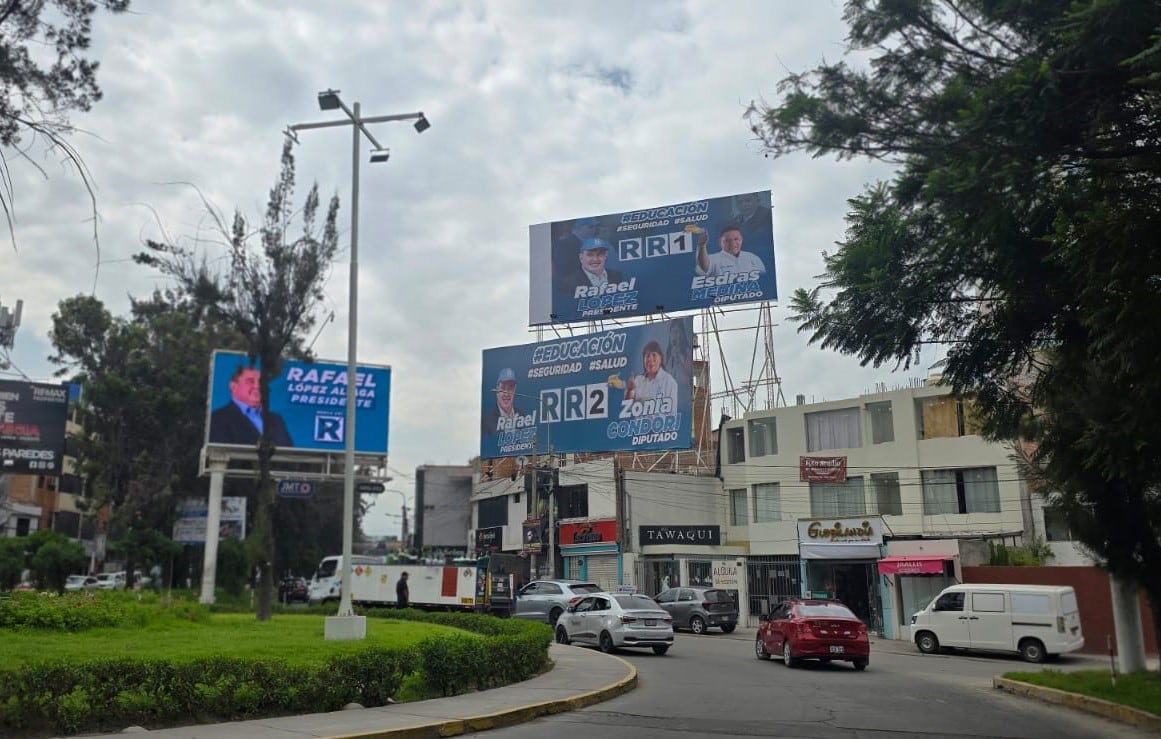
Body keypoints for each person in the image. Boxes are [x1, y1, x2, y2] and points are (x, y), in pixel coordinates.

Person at [208, 364, 294, 447]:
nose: (257, 386)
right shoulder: (218, 418)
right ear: (233, 386)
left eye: (261, 382)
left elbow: (290, 456)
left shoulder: (276, 420)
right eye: (250, 381)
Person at [556, 238, 624, 296]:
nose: (595, 259)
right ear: (581, 257)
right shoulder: (569, 283)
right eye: (590, 255)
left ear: (606, 256)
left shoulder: (616, 275)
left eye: (600, 254)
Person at [625, 340, 678, 414]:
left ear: (661, 358)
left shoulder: (669, 382)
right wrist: (630, 390)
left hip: (662, 425)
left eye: (654, 355)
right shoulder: (638, 380)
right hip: (639, 424)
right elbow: (628, 407)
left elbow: (672, 414)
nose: (650, 359)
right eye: (647, 356)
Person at [695, 225, 767, 278]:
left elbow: (763, 279)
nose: (732, 243)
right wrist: (702, 246)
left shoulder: (753, 258)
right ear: (720, 242)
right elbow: (704, 267)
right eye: (727, 240)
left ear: (741, 239)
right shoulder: (712, 259)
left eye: (736, 239)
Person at [481, 367, 527, 437]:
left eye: (510, 388)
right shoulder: (487, 421)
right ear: (497, 389)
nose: (506, 393)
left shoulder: (524, 417)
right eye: (503, 388)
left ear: (514, 390)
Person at [664, 319, 694, 396]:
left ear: (681, 335)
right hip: (668, 399)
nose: (675, 335)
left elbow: (689, 373)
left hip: (683, 397)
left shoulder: (687, 352)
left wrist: (679, 357)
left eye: (677, 332)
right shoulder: (666, 355)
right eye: (673, 332)